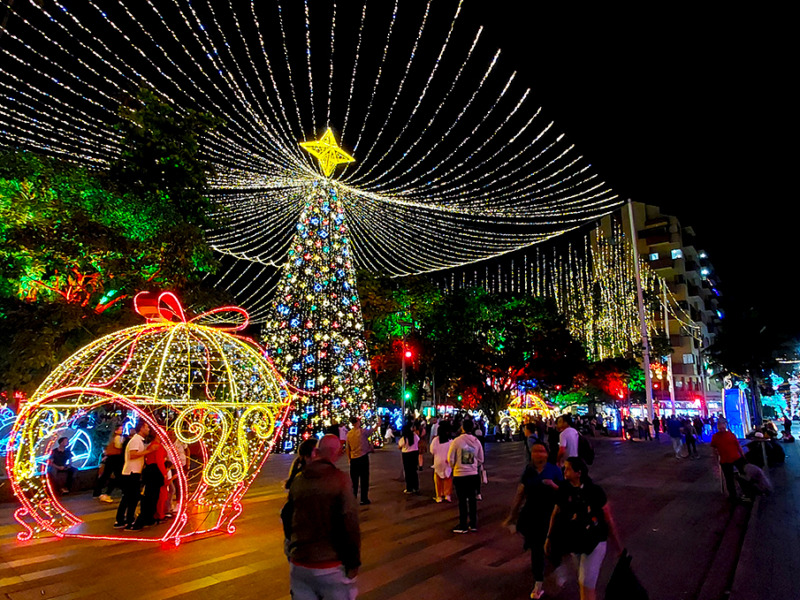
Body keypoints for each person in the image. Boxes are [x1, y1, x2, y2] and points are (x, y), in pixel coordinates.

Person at [282, 434, 360, 600]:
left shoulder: (298, 480)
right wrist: (353, 562)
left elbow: (287, 516)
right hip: (329, 564)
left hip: (299, 562)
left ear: (316, 451)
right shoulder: (340, 480)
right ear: (338, 454)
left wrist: (291, 547)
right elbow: (350, 523)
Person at [546, 457, 618, 600]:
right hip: (575, 540)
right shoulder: (564, 489)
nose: (564, 470)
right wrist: (549, 537)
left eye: (567, 468)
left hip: (594, 540)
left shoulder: (594, 491)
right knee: (583, 581)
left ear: (578, 473)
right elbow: (556, 512)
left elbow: (608, 518)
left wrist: (617, 545)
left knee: (585, 582)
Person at [503, 441, 563, 599]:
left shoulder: (554, 470)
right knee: (537, 549)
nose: (538, 454)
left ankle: (555, 567)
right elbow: (520, 492)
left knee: (550, 548)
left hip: (550, 515)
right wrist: (512, 515)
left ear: (547, 453)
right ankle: (538, 583)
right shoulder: (529, 470)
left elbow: (565, 493)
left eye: (541, 451)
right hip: (532, 514)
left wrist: (553, 485)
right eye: (535, 451)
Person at [114, 420, 154, 529]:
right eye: (147, 427)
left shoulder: (139, 440)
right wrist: (149, 451)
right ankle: (127, 520)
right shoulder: (135, 440)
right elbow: (132, 455)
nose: (148, 429)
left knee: (128, 497)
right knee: (131, 498)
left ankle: (122, 519)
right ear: (141, 428)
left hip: (133, 472)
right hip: (131, 473)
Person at [447, 419, 484, 533]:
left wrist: (454, 466)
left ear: (462, 427)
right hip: (473, 474)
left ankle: (463, 525)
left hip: (460, 474)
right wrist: (474, 465)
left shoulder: (457, 441)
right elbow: (481, 459)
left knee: (462, 500)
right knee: (472, 499)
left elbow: (450, 458)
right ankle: (473, 524)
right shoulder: (476, 441)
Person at [131, 431, 167, 530]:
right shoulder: (157, 446)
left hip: (150, 471)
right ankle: (147, 518)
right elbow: (159, 461)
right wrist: (164, 474)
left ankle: (148, 517)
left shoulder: (152, 445)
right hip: (155, 472)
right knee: (152, 496)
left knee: (150, 496)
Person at [710, 418, 748, 502]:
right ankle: (733, 495)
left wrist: (743, 456)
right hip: (725, 460)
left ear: (725, 426)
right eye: (720, 426)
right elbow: (714, 450)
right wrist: (715, 461)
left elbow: (738, 446)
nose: (722, 427)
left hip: (736, 458)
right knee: (729, 479)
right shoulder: (715, 437)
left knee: (743, 475)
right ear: (718, 426)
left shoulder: (731, 435)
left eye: (723, 425)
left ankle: (746, 491)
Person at [345, 416, 373, 505]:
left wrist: (349, 458)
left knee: (354, 480)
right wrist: (378, 424)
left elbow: (347, 448)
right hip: (363, 457)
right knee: (364, 479)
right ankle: (364, 498)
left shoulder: (349, 434)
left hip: (354, 459)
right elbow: (372, 431)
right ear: (357, 422)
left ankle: (353, 498)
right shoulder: (362, 432)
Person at [430, 421, 453, 502]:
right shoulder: (450, 441)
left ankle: (439, 496)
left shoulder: (435, 440)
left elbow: (432, 450)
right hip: (447, 462)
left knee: (438, 479)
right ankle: (447, 494)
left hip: (438, 461)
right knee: (448, 478)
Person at [398, 423, 420, 494]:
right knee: (414, 471)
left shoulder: (404, 438)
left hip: (406, 454)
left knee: (408, 471)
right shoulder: (415, 436)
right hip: (414, 454)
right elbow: (418, 441)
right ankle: (415, 487)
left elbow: (399, 446)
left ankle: (409, 488)